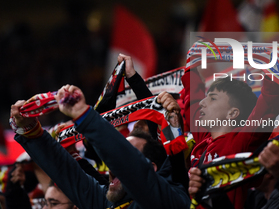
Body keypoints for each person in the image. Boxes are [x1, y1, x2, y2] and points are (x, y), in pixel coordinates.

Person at [10, 84, 190, 209]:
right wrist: (30, 130)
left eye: (126, 155)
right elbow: (66, 173)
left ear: (151, 168)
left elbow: (131, 167)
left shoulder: (172, 202)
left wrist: (84, 116)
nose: (111, 164)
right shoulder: (106, 203)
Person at [185, 69, 279, 208]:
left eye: (212, 98)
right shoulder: (204, 139)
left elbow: (267, 106)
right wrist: (191, 67)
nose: (202, 102)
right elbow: (193, 101)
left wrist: (276, 67)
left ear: (232, 113)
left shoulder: (240, 143)